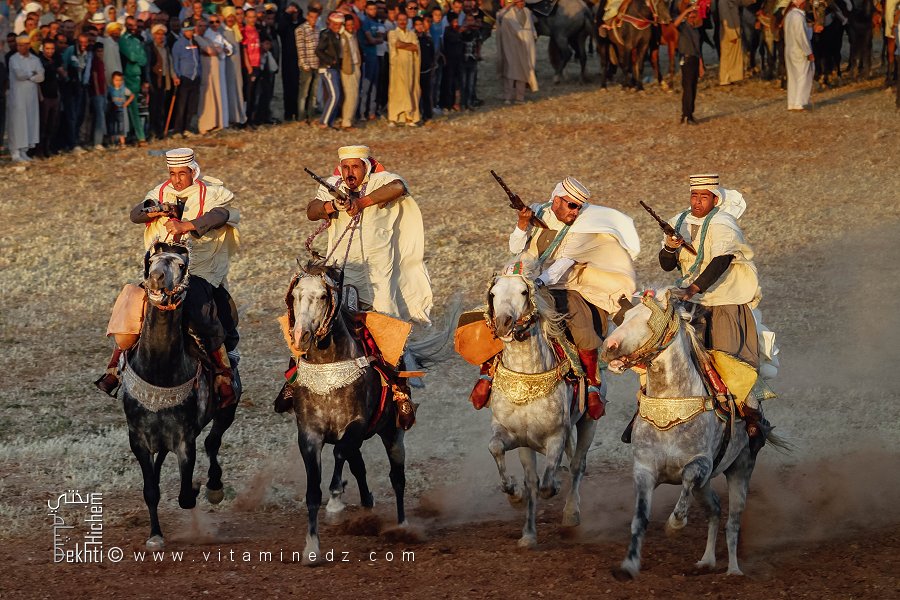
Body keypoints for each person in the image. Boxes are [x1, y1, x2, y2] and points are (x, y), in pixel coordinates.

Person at [285, 144, 433, 428]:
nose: (349, 172)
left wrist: (361, 203)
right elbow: (311, 211)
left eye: (355, 167)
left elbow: (399, 187)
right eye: (345, 167)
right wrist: (333, 206)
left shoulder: (381, 181)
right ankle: (295, 378)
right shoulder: (333, 186)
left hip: (380, 274)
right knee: (309, 313)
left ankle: (401, 392)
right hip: (340, 270)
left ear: (366, 166)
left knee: (387, 330)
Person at [469, 176, 641, 421]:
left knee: (581, 327)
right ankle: (486, 374)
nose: (576, 211)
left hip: (564, 283)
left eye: (579, 207)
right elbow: (515, 248)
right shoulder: (538, 211)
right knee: (491, 313)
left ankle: (592, 385)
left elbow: (562, 265)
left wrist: (535, 285)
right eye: (572, 205)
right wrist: (522, 223)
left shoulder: (584, 227)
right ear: (557, 200)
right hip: (524, 274)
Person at [96, 148, 241, 410]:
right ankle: (115, 368)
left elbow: (222, 215)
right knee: (131, 302)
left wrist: (187, 225)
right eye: (172, 174)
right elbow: (135, 214)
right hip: (161, 270)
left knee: (201, 311)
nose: (176, 180)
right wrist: (157, 210)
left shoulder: (211, 191)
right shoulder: (161, 192)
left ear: (193, 171)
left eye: (182, 174)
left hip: (199, 270)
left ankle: (223, 374)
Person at [657, 173, 770, 447]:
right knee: (662, 352)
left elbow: (721, 261)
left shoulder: (723, 223)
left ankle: (752, 416)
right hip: (688, 300)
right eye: (694, 196)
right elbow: (666, 265)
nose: (697, 202)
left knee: (729, 358)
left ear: (715, 199)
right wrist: (671, 248)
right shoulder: (679, 221)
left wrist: (694, 288)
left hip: (723, 300)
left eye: (703, 197)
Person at [6, 34, 44, 162]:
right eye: (19, 45)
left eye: (24, 45)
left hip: (31, 97)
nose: (21, 47)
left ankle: (24, 151)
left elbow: (41, 76)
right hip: (18, 96)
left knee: (29, 121)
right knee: (17, 123)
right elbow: (19, 75)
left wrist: (32, 76)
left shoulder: (35, 59)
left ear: (29, 45)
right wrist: (32, 74)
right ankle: (15, 151)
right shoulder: (13, 59)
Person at [495, 0, 537, 105]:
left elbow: (531, 25)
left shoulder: (527, 11)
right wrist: (509, 6)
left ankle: (520, 97)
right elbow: (499, 15)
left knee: (524, 69)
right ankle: (508, 96)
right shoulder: (508, 14)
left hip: (526, 45)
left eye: (523, 1)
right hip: (512, 45)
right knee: (510, 70)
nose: (522, 4)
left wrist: (533, 36)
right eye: (519, 2)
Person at [197, 16, 231, 133]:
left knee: (215, 95)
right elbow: (212, 51)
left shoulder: (207, 38)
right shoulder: (198, 38)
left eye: (204, 26)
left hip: (214, 71)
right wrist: (218, 49)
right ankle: (204, 125)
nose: (202, 28)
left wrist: (219, 49)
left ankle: (215, 122)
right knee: (206, 97)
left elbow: (225, 49)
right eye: (200, 26)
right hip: (205, 71)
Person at [387, 11, 420, 125]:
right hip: (397, 67)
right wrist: (408, 45)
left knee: (409, 90)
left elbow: (416, 47)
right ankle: (394, 118)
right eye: (400, 20)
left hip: (410, 67)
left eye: (404, 20)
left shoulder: (412, 34)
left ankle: (409, 117)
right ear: (396, 21)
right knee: (397, 91)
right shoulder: (392, 33)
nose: (402, 22)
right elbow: (397, 44)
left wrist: (404, 45)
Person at [171, 17, 201, 137]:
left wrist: (200, 73)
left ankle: (189, 128)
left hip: (195, 77)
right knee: (182, 105)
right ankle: (178, 130)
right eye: (187, 30)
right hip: (184, 77)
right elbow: (175, 61)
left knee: (192, 105)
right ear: (183, 31)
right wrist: (176, 75)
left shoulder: (195, 42)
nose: (189, 32)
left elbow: (198, 60)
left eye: (191, 30)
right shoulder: (178, 44)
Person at [120, 16, 148, 145]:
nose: (133, 28)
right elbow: (130, 56)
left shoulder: (137, 41)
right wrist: (137, 58)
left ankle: (134, 136)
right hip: (128, 76)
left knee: (136, 107)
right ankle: (140, 136)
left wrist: (137, 58)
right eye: (130, 25)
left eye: (135, 25)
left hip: (137, 76)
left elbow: (144, 60)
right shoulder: (123, 40)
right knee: (132, 108)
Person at [674, 0, 702, 124]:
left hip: (695, 59)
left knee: (693, 88)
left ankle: (690, 113)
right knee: (688, 88)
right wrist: (686, 10)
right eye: (690, 15)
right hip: (686, 59)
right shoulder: (683, 27)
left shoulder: (695, 30)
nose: (692, 17)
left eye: (694, 15)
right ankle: (686, 115)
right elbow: (674, 24)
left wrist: (701, 64)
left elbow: (698, 49)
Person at [146, 23, 175, 140]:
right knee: (153, 107)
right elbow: (147, 66)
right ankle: (152, 131)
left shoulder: (166, 48)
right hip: (153, 80)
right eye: (158, 34)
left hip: (164, 80)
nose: (160, 37)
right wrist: (147, 81)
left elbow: (169, 64)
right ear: (153, 35)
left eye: (162, 34)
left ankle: (160, 131)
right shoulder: (149, 47)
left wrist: (174, 77)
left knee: (161, 107)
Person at [315, 11, 343, 129]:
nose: (338, 27)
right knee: (335, 95)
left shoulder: (337, 35)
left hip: (334, 68)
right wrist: (330, 61)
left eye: (340, 25)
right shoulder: (326, 34)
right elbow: (318, 51)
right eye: (335, 24)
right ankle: (324, 122)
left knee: (336, 95)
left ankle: (330, 122)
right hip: (327, 68)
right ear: (330, 23)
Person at [784, 0, 813, 111]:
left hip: (790, 50)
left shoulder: (789, 15)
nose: (807, 4)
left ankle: (791, 103)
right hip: (799, 51)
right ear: (801, 3)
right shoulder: (798, 17)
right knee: (803, 76)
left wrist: (809, 27)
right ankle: (799, 103)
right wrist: (808, 52)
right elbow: (801, 37)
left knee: (792, 77)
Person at [221, 7, 247, 127]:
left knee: (237, 89)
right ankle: (230, 118)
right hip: (226, 66)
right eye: (229, 16)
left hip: (237, 67)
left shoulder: (237, 31)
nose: (231, 19)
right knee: (228, 91)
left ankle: (238, 117)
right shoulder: (222, 31)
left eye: (233, 16)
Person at [294, 4, 320, 125]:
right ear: (307, 17)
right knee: (304, 93)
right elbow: (300, 49)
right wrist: (304, 64)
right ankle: (301, 117)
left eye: (315, 17)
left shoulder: (318, 29)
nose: (313, 19)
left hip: (317, 64)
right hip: (306, 65)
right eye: (311, 17)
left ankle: (311, 116)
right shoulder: (301, 29)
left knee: (314, 94)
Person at [37, 37, 62, 158]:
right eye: (47, 49)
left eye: (52, 49)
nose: (50, 51)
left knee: (52, 124)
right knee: (43, 124)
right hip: (44, 96)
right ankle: (40, 149)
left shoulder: (54, 61)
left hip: (54, 95)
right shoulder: (39, 61)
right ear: (43, 49)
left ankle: (47, 147)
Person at [358, 0, 382, 120]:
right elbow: (372, 40)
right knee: (366, 86)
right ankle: (362, 113)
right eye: (371, 9)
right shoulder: (365, 22)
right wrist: (373, 40)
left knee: (374, 85)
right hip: (367, 55)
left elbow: (380, 38)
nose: (373, 11)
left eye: (375, 9)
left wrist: (374, 40)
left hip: (375, 55)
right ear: (366, 10)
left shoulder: (376, 21)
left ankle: (372, 112)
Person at [277, 1, 302, 121]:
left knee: (299, 86)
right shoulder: (286, 25)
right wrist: (286, 15)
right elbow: (280, 28)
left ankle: (298, 112)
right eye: (291, 12)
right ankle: (288, 113)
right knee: (288, 86)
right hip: (287, 59)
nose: (294, 14)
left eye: (295, 11)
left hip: (300, 58)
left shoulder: (302, 23)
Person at [339, 12, 361, 128]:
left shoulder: (354, 34)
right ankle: (346, 121)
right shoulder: (342, 37)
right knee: (350, 95)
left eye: (352, 25)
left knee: (355, 94)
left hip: (356, 65)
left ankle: (350, 119)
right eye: (348, 25)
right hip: (347, 68)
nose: (350, 27)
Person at [717, 0, 743, 85]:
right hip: (729, 31)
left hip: (735, 28)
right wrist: (732, 34)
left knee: (733, 55)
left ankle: (733, 77)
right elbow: (726, 19)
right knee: (727, 55)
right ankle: (724, 79)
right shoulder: (722, 2)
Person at [413, 15, 433, 120]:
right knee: (415, 95)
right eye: (417, 25)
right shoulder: (412, 40)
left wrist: (431, 66)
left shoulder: (428, 40)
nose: (419, 27)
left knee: (426, 94)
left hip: (427, 71)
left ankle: (428, 115)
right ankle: (416, 115)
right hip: (415, 71)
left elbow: (431, 55)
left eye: (421, 24)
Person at [107, 69, 134, 146]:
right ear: (113, 80)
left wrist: (126, 103)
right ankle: (112, 142)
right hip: (112, 109)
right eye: (116, 80)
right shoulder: (110, 88)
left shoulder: (123, 89)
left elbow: (132, 95)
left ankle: (122, 142)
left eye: (120, 80)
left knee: (121, 126)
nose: (118, 82)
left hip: (120, 109)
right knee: (112, 125)